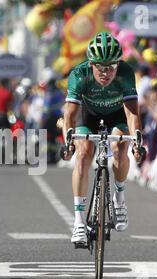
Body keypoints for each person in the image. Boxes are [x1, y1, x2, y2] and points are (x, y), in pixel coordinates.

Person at [61, 32, 146, 247]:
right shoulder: (79, 75)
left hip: (117, 114)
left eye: (111, 66)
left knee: (119, 147)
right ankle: (79, 221)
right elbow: (70, 115)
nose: (106, 72)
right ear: (91, 63)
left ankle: (119, 195)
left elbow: (132, 114)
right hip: (87, 115)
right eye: (100, 66)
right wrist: (68, 142)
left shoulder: (126, 73)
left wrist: (137, 141)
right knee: (83, 154)